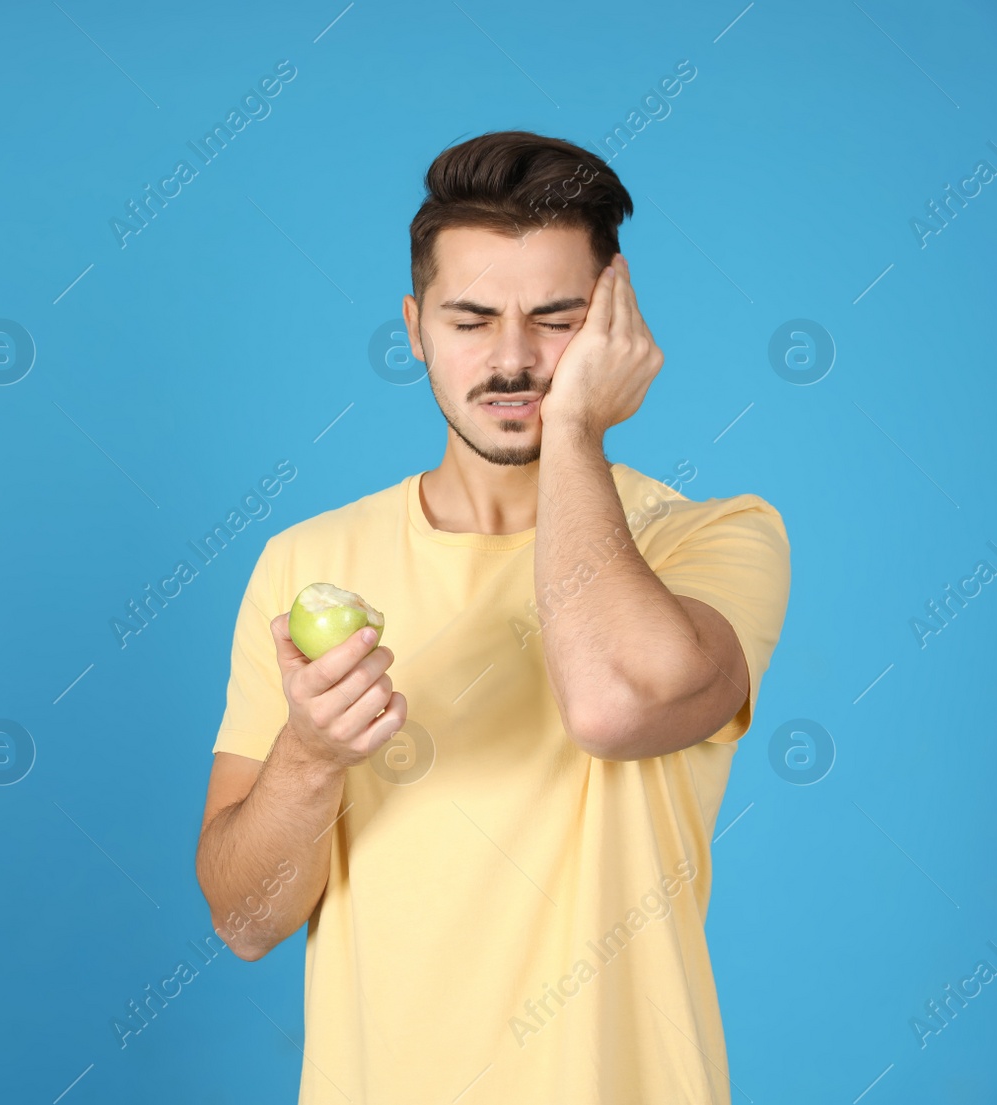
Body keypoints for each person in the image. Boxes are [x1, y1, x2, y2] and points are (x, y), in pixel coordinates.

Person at [193, 129, 791, 1105]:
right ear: (414, 326)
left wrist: (573, 427)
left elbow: (609, 706)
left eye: (555, 320)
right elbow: (246, 923)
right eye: (470, 319)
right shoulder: (305, 563)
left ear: (614, 326)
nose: (512, 359)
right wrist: (307, 755)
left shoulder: (715, 541)